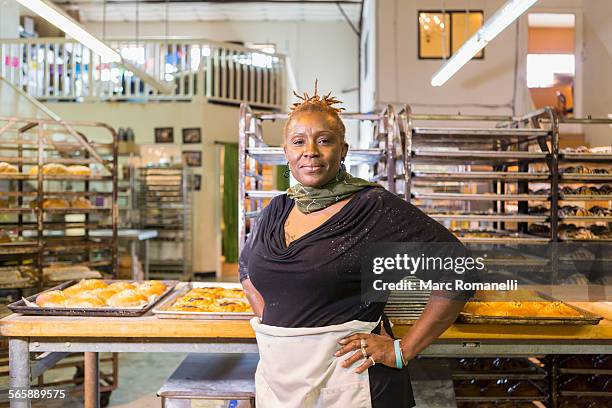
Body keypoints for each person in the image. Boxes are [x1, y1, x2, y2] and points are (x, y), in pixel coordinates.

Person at [239, 83, 473, 408]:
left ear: (343, 149)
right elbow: (247, 272)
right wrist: (287, 339)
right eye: (298, 142)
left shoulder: (374, 209)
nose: (310, 151)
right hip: (284, 380)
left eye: (324, 140)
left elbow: (459, 272)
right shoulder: (276, 210)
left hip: (354, 382)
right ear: (286, 152)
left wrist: (402, 350)